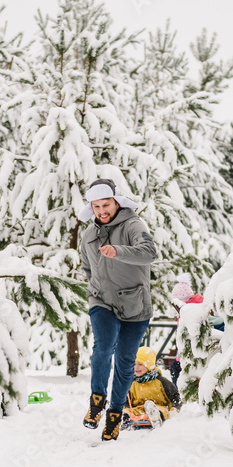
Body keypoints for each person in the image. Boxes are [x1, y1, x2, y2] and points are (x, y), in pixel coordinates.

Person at [79, 178, 157, 441]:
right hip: (101, 300)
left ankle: (114, 414)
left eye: (106, 204)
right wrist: (97, 286)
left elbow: (149, 252)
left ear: (116, 202)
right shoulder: (88, 234)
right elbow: (87, 268)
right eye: (97, 206)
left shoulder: (133, 224)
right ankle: (96, 401)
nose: (102, 210)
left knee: (125, 362)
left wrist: (118, 251)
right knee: (103, 347)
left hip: (135, 304)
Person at [125, 347, 181, 429]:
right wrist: (126, 410)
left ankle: (157, 418)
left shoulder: (160, 381)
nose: (136, 368)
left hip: (158, 406)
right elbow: (126, 400)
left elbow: (175, 396)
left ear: (149, 365)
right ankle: (125, 420)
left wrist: (174, 409)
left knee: (162, 411)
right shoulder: (133, 383)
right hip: (139, 409)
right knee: (128, 411)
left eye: (140, 364)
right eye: (134, 364)